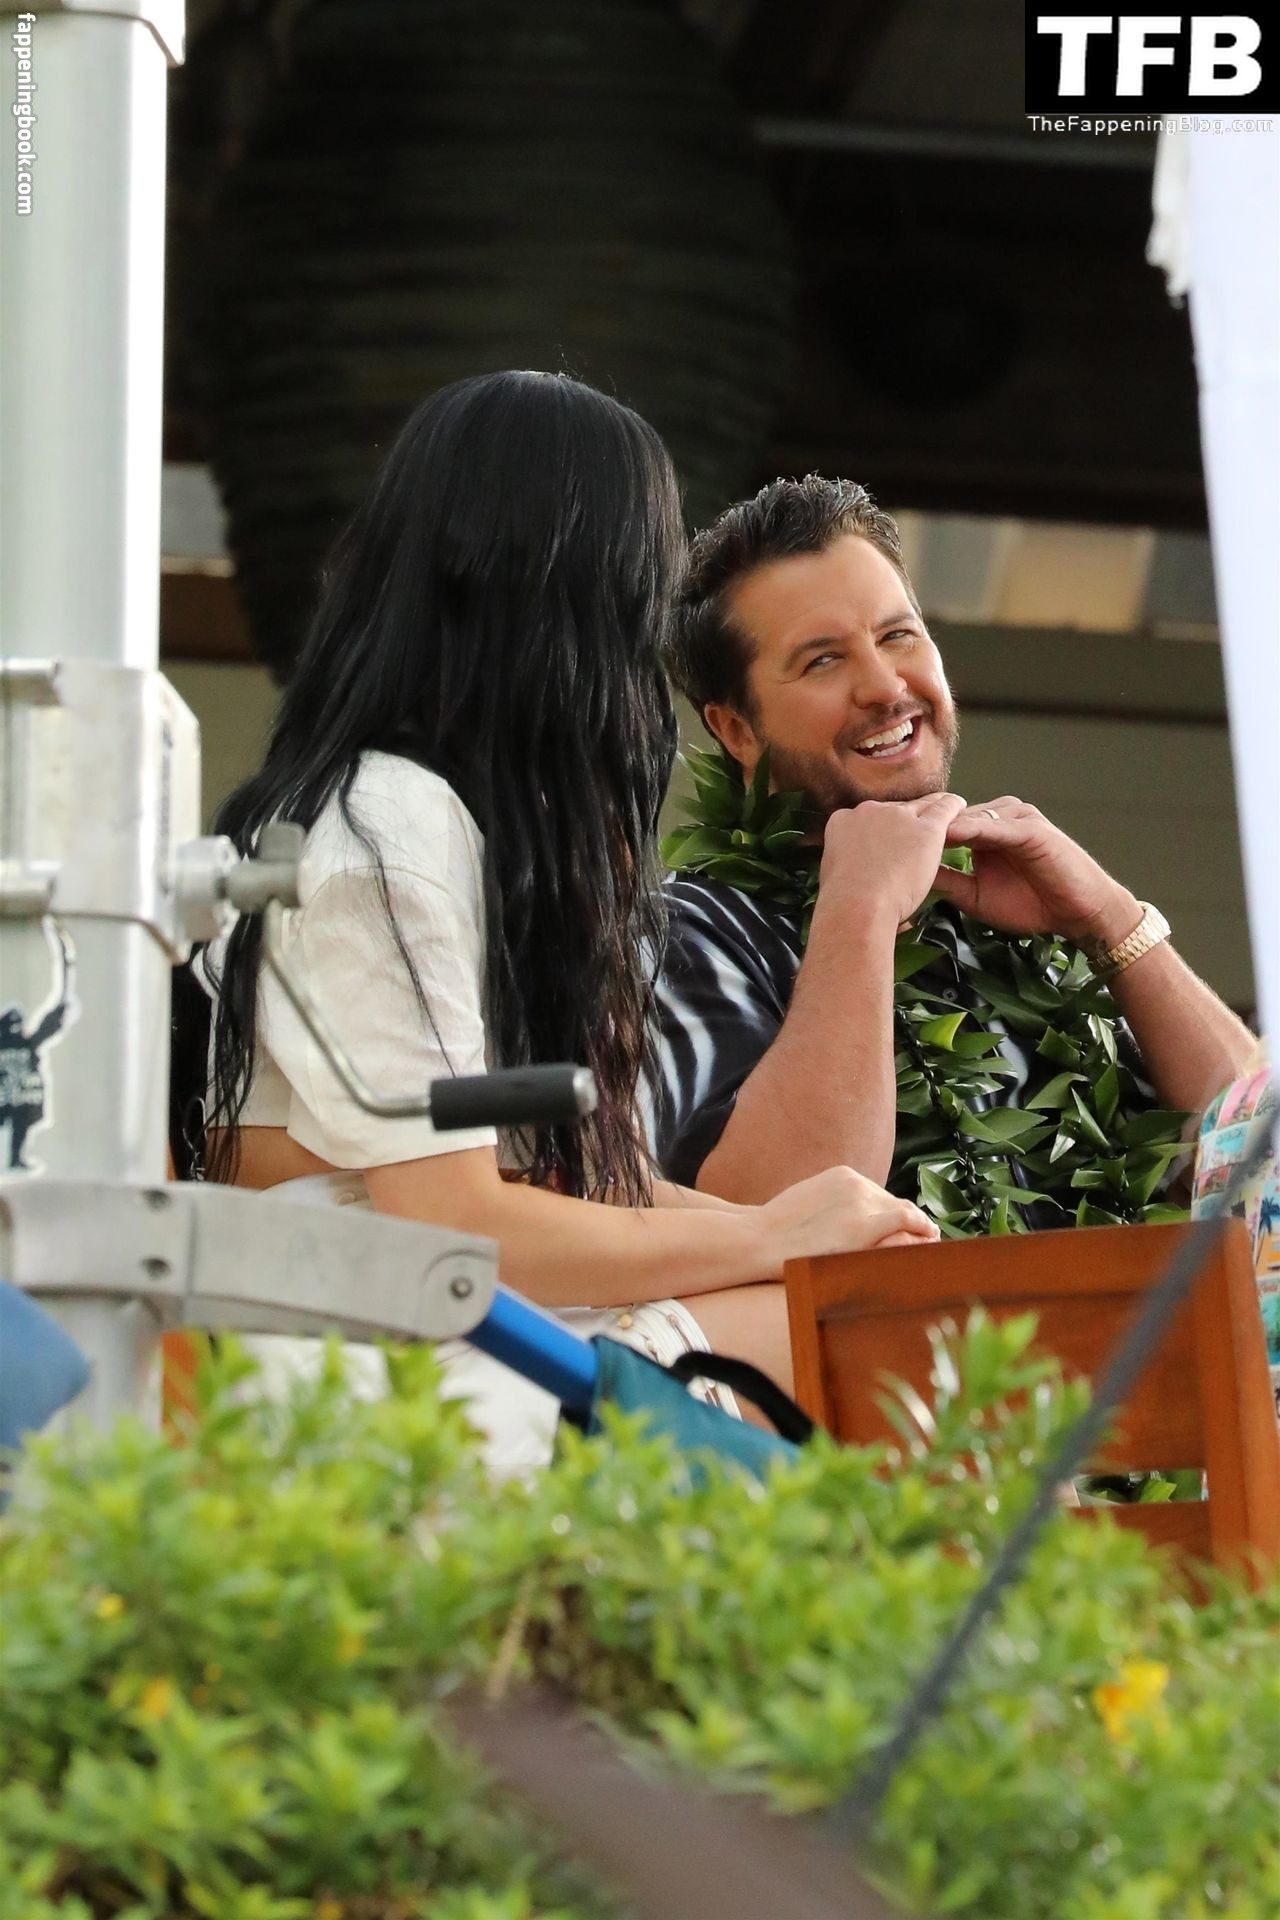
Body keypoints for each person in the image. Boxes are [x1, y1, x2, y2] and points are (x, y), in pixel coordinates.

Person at [193, 376, 935, 1474]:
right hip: (383, 1376)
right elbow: (454, 1221)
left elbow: (559, 1184)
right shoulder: (382, 826)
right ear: (579, 589)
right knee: (878, 1348)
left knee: (881, 1306)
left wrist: (825, 1231)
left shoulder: (449, 822)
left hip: (440, 1328)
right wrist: (768, 1234)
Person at [652, 473, 1254, 1207]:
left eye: (897, 635)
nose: (884, 686)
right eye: (823, 660)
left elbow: (1257, 1169)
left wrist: (1112, 921)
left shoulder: (1019, 915)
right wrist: (861, 913)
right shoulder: (689, 932)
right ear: (737, 730)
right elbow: (778, 1217)